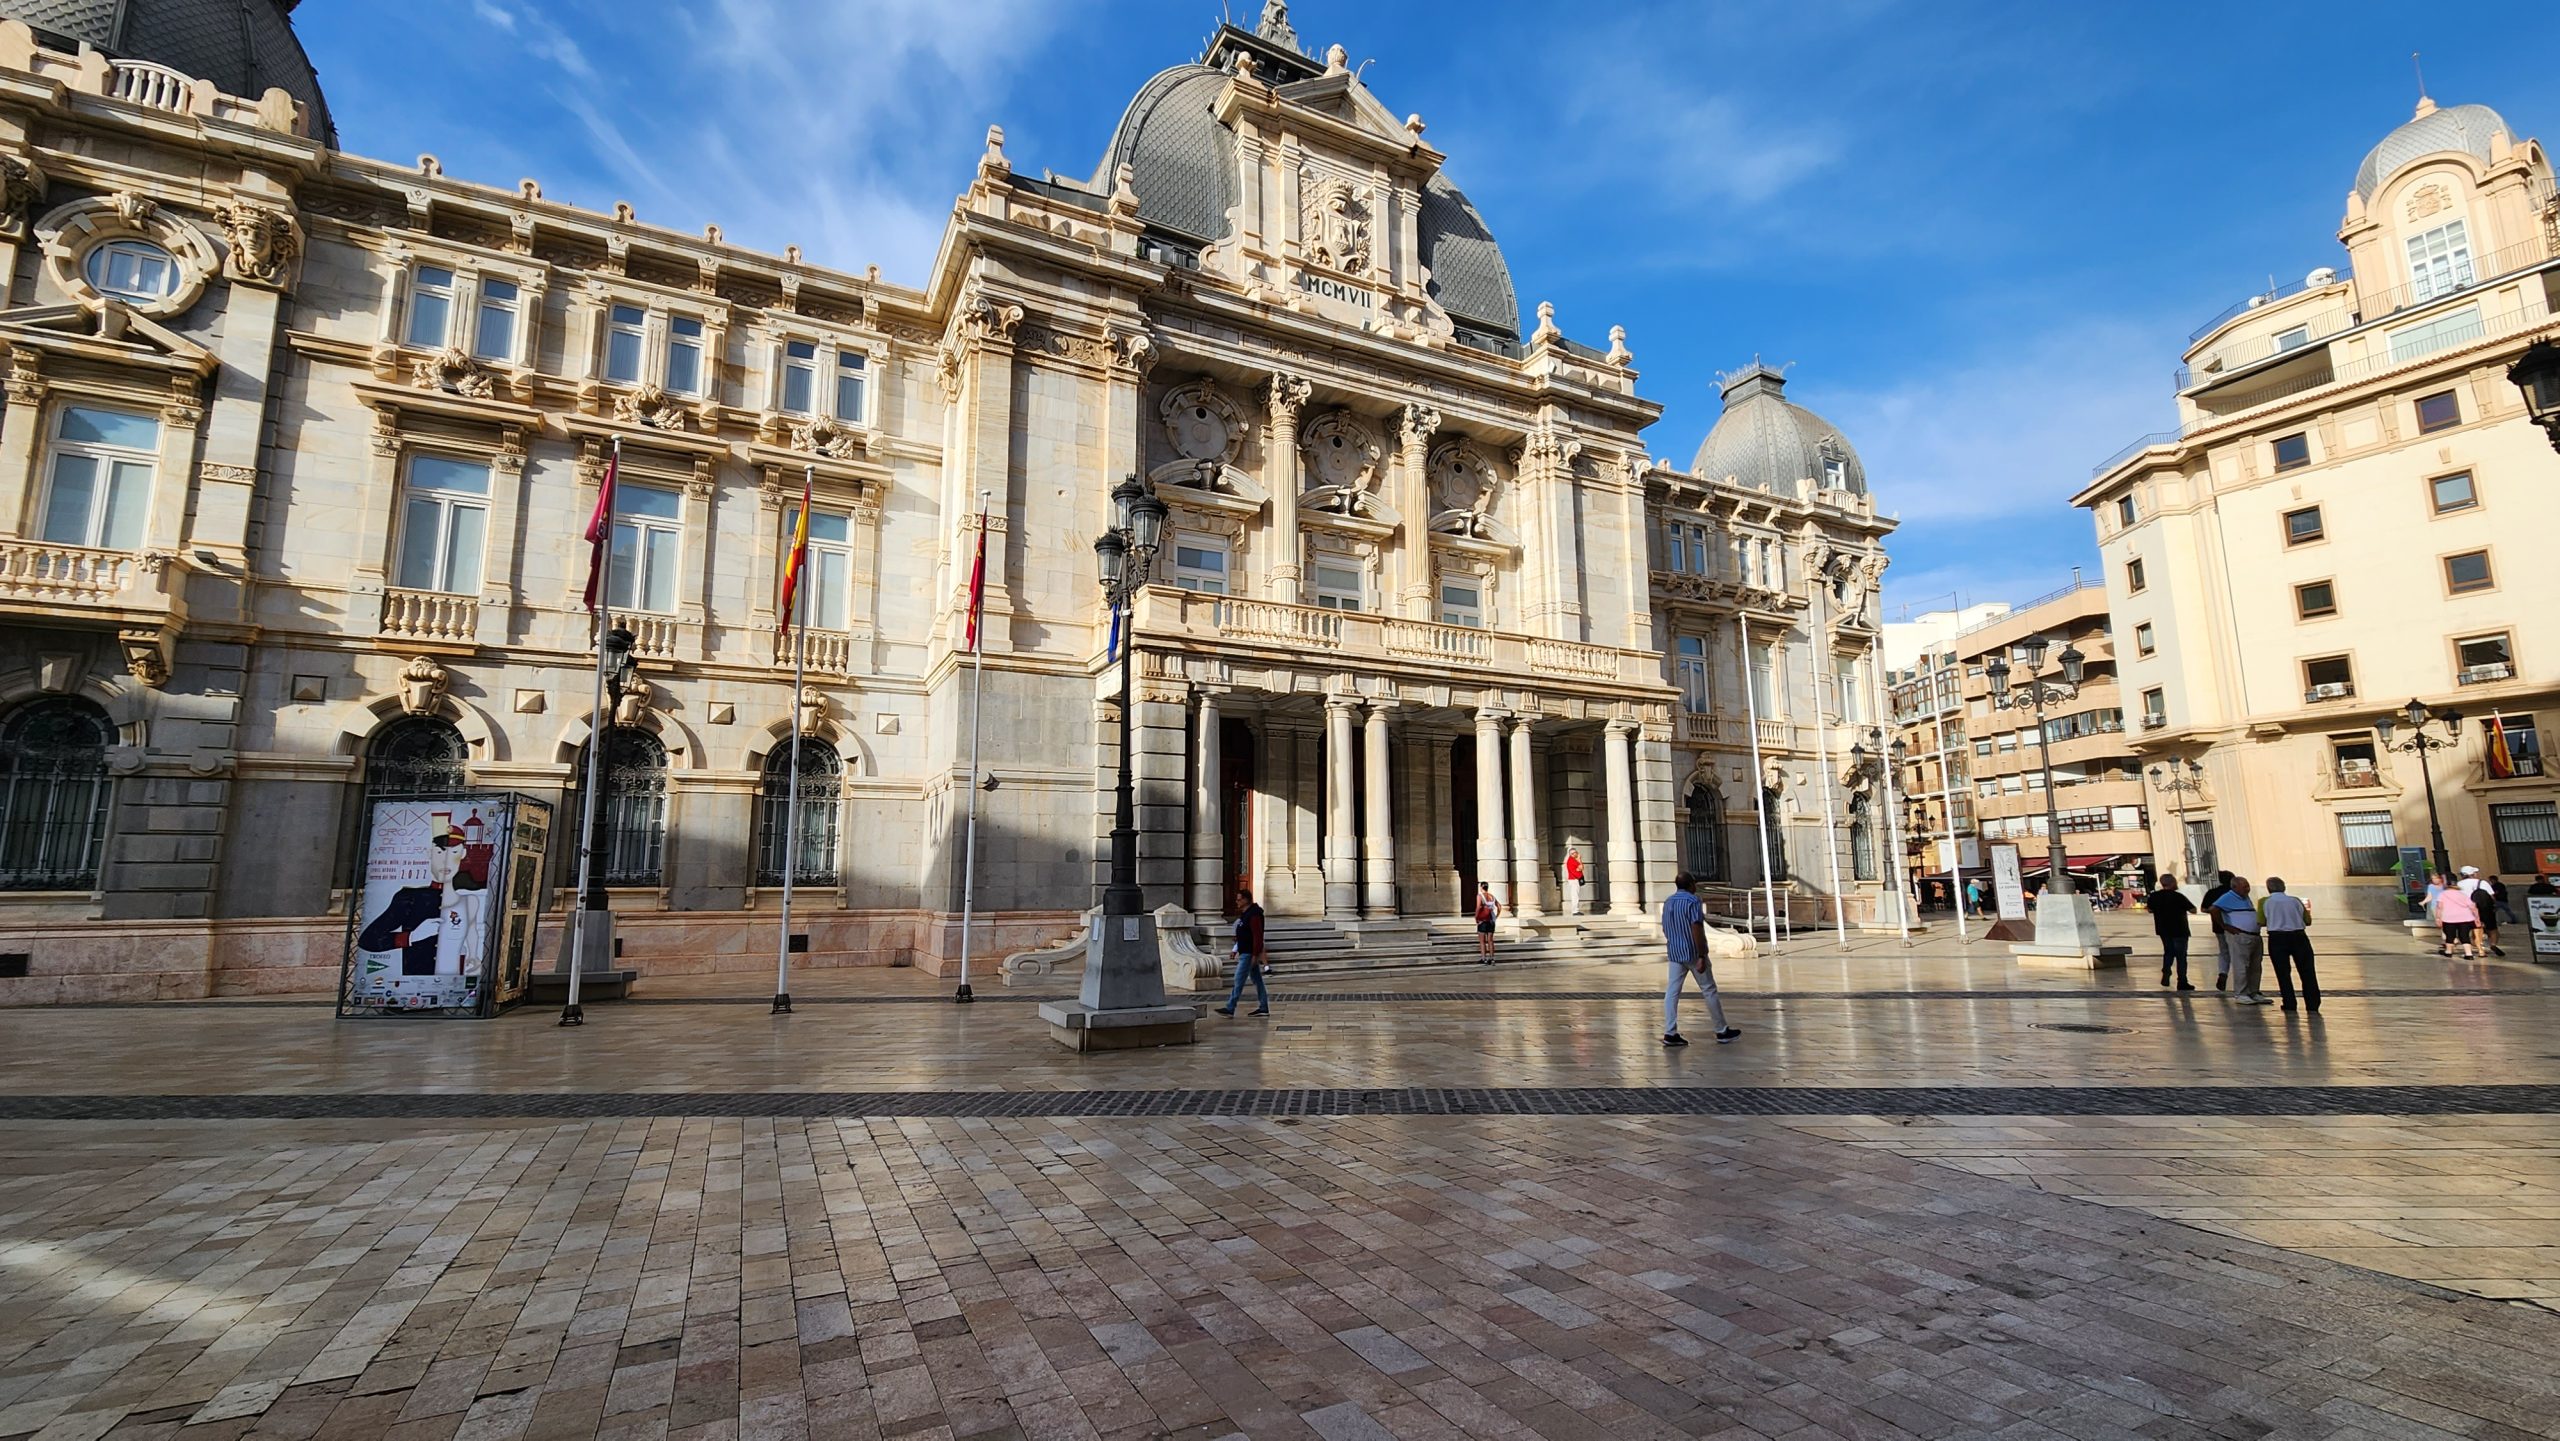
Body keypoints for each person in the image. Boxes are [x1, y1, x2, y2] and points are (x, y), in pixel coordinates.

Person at [1660, 870, 1741, 1047]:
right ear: (1690, 884)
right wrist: (1702, 954)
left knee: (1672, 992)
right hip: (1692, 952)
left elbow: (1665, 927)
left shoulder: (1668, 901)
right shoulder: (1693, 901)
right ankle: (1721, 1030)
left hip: (1675, 952)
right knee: (1708, 989)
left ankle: (1670, 1032)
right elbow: (1696, 927)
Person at [2260, 877, 2317, 1013]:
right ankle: (2313, 1003)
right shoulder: (2295, 900)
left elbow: (2261, 921)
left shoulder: (2264, 902)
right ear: (2284, 887)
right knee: (2307, 971)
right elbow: (2307, 921)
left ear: (2268, 889)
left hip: (2277, 938)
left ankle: (2289, 1002)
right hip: (2299, 936)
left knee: (2283, 973)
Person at [1214, 886, 1270, 1018]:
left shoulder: (1254, 915)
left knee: (1238, 979)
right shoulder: (1246, 914)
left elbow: (1257, 936)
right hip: (1245, 951)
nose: (1237, 902)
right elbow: (1243, 935)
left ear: (1246, 900)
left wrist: (1255, 955)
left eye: (1239, 900)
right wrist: (1235, 949)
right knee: (1257, 980)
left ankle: (1230, 1007)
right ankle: (1263, 1007)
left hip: (1249, 953)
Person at [2212, 877, 2268, 1004]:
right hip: (2240, 936)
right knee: (2241, 965)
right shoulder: (2228, 897)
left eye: (2248, 886)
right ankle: (2241, 993)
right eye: (2244, 887)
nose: (2248, 889)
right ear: (2234, 887)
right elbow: (2213, 909)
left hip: (2254, 935)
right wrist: (2224, 926)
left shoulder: (2245, 897)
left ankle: (2253, 991)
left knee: (2255, 966)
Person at [2146, 873, 2197, 990]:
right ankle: (2182, 981)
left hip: (2163, 929)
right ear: (2173, 883)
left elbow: (2150, 910)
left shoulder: (2154, 896)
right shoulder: (2178, 896)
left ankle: (2166, 970)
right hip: (2180, 929)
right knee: (2181, 956)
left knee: (2168, 951)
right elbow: (2193, 910)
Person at [2459, 867, 2507, 956]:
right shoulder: (2482, 883)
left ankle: (2480, 948)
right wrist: (2494, 905)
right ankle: (2493, 944)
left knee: (2476, 928)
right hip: (2485, 908)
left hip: (2468, 909)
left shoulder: (2459, 884)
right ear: (2473, 874)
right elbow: (2491, 896)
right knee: (2492, 928)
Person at [2201, 870, 2235, 989]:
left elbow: (2204, 909)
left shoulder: (2212, 892)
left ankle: (2223, 972)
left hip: (2218, 926)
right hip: (2235, 926)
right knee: (2237, 952)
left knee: (2224, 951)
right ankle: (2239, 976)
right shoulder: (2235, 893)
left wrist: (2215, 911)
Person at [2435, 873, 2482, 960]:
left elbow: (2439, 907)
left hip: (2449, 918)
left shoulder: (2442, 894)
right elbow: (2473, 907)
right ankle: (2469, 954)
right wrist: (2477, 918)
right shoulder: (2462, 894)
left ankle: (2448, 952)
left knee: (2450, 935)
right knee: (2464, 935)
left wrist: (2438, 918)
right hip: (2465, 918)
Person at [1474, 881, 1501, 962]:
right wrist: (1496, 916)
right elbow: (1499, 906)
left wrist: (1476, 917)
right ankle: (1492, 959)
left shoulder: (1480, 896)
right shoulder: (1492, 896)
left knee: (1482, 941)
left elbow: (1478, 907)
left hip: (1483, 920)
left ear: (1481, 887)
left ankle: (1484, 958)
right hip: (1491, 920)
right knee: (1490, 940)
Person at [1563, 848, 1585, 916]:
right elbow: (1580, 868)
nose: (1575, 854)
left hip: (1574, 880)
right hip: (1574, 880)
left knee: (1575, 895)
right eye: (1573, 853)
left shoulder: (1574, 860)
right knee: (1575, 896)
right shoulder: (1572, 860)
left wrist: (1579, 867)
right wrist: (1579, 860)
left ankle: (1576, 910)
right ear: (1571, 854)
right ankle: (1575, 911)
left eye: (1575, 852)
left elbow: (1581, 868)